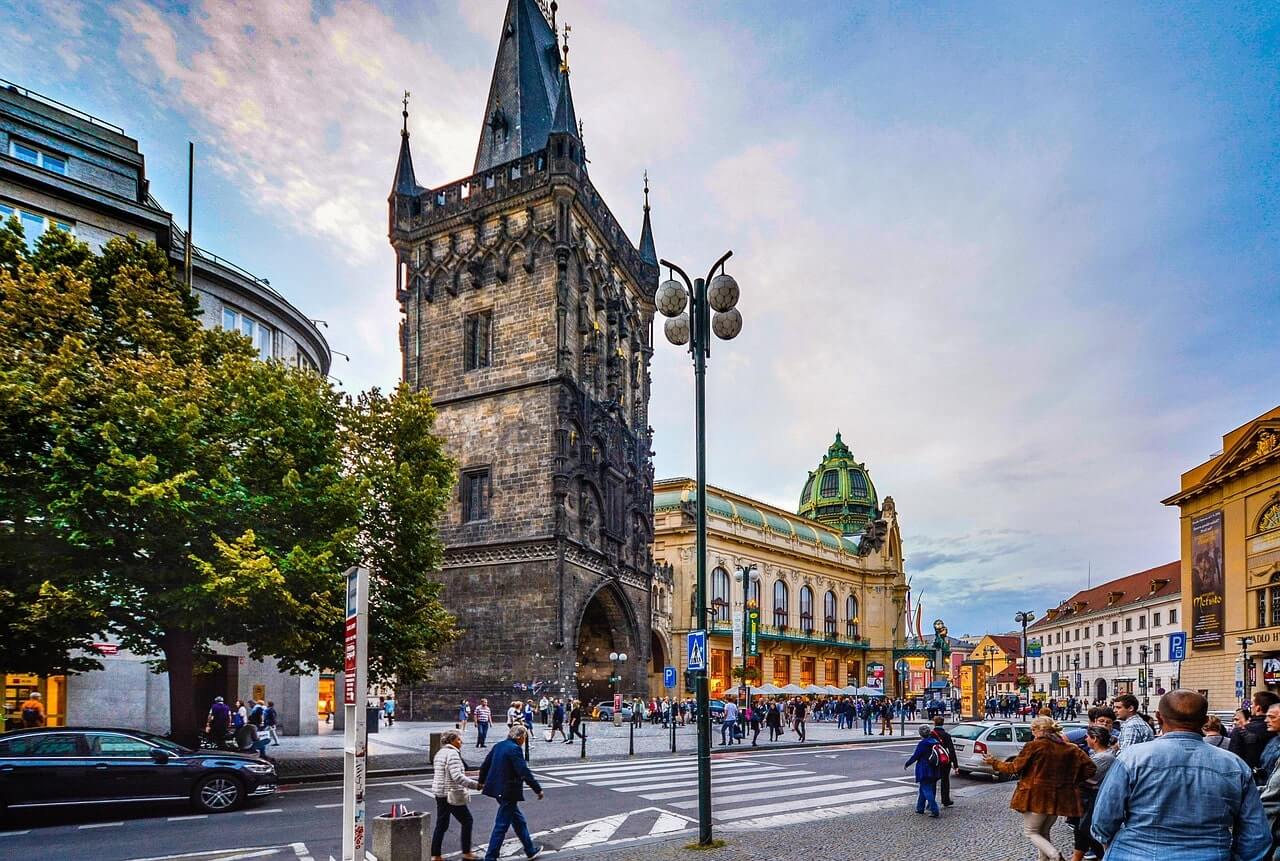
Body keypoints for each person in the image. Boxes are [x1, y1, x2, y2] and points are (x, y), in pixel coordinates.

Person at [1091, 690, 1270, 861]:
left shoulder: (1132, 758)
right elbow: (1256, 834)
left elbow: (1103, 820)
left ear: (1159, 717)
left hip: (1136, 852)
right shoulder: (1234, 765)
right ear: (1205, 721)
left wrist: (1111, 845)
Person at [983, 716, 1096, 861]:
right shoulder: (1071, 748)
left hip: (1036, 796)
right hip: (1058, 798)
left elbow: (1013, 768)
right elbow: (1091, 768)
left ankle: (1055, 855)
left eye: (1033, 729)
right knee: (1044, 832)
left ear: (1039, 730)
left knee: (1031, 832)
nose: (1032, 732)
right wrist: (1070, 780)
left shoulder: (1034, 746)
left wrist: (993, 762)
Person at [478, 725, 545, 860]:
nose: (524, 740)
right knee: (501, 825)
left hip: (497, 789)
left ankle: (530, 850)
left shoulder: (499, 745)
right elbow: (523, 771)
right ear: (520, 737)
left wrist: (481, 781)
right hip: (508, 791)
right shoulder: (515, 749)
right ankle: (490, 857)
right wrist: (537, 789)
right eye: (525, 737)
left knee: (519, 821)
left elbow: (486, 764)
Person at [430, 728, 481, 861]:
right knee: (467, 820)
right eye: (458, 739)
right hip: (450, 793)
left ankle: (436, 855)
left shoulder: (440, 753)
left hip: (440, 792)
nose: (461, 742)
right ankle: (466, 853)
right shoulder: (452, 754)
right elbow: (457, 777)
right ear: (452, 741)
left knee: (441, 824)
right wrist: (476, 785)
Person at [1069, 726, 1116, 861]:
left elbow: (1085, 777)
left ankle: (1105, 857)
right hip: (1090, 797)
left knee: (1087, 830)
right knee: (1081, 829)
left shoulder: (1104, 757)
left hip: (1094, 797)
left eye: (1088, 737)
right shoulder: (1099, 754)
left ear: (1095, 739)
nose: (1086, 739)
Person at [1232, 691, 1280, 770]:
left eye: (1252, 704)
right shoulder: (1274, 736)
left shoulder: (1240, 731)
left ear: (1258, 708)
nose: (1267, 720)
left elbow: (1234, 762)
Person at [904, 724, 943, 817]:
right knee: (923, 788)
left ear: (921, 733)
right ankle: (920, 808)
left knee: (926, 789)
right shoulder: (935, 741)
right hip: (935, 768)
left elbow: (916, 756)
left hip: (925, 769)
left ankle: (935, 810)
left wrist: (907, 763)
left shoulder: (923, 743)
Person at [932, 716, 958, 807]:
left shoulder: (931, 734)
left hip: (934, 760)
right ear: (943, 723)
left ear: (934, 723)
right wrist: (955, 764)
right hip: (944, 761)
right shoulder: (946, 735)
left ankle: (931, 801)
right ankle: (945, 800)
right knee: (945, 781)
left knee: (932, 781)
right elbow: (951, 750)